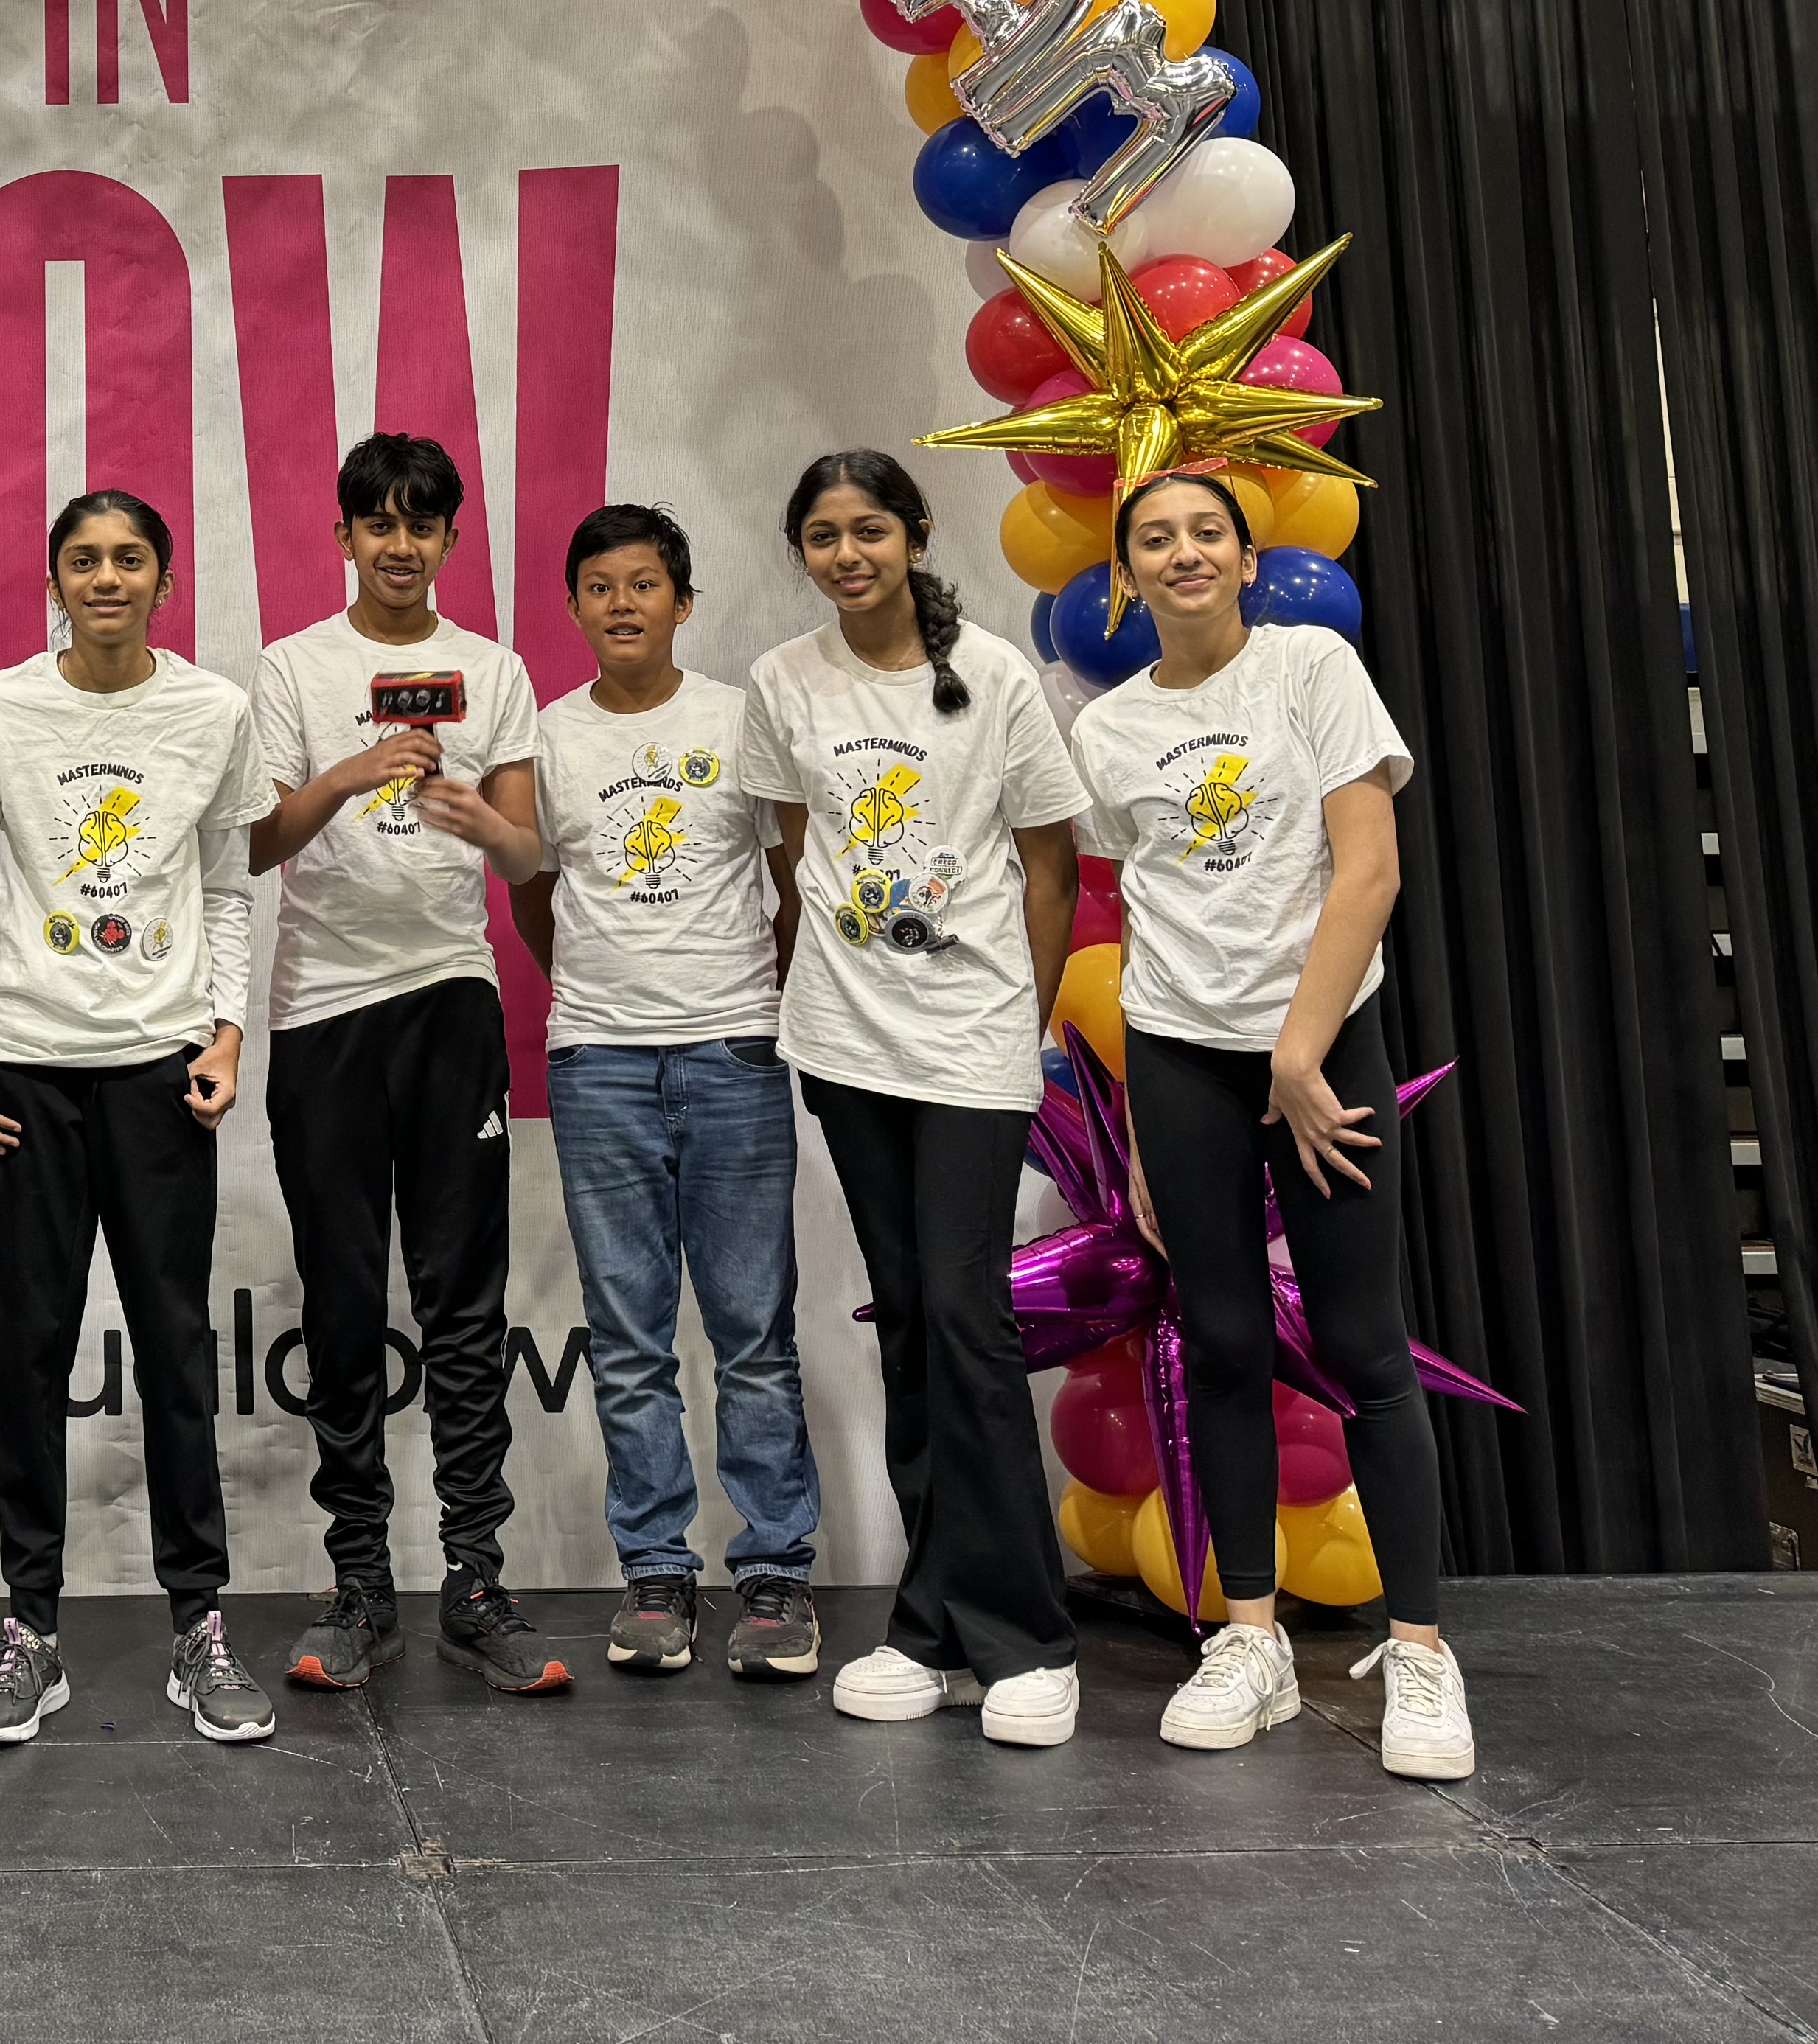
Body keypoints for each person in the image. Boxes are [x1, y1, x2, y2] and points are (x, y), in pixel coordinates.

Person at [1076, 466, 1455, 1778]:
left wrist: (1300, 1053)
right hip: (1183, 1055)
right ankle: (1251, 1638)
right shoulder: (1110, 730)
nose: (1182, 555)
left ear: (1247, 559)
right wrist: (1135, 1125)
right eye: (1154, 540)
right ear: (1125, 574)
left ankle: (1420, 1652)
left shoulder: (1312, 668)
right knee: (1221, 1340)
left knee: (1361, 1344)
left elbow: (1371, 869)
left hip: (1323, 1042)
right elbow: (1138, 918)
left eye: (1206, 535)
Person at [439, 505, 821, 1691]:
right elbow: (535, 895)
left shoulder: (738, 719)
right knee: (631, 1341)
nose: (621, 604)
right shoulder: (546, 741)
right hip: (598, 1061)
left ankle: (774, 1576)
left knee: (754, 1335)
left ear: (684, 603)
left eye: (644, 584)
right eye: (598, 586)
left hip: (735, 1055)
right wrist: (600, 997)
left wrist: (756, 1003)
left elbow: (795, 877)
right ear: (573, 608)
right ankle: (657, 1571)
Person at [752, 455, 1087, 1744]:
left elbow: (1050, 867)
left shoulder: (993, 674)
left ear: (915, 536)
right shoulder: (787, 683)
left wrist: (1027, 1018)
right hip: (846, 1045)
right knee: (908, 1323)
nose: (849, 555)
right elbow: (796, 862)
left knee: (966, 1317)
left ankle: (1028, 1638)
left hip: (968, 1047)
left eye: (870, 531)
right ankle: (932, 1626)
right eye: (825, 536)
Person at [0, 490, 274, 1745]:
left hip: (158, 1069)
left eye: (130, 559)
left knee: (177, 1348)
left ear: (165, 582)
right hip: (27, 1066)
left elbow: (231, 890)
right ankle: (33, 1634)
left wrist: (226, 1032)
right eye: (83, 560)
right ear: (54, 581)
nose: (107, 578)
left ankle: (201, 1631)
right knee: (30, 1353)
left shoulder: (213, 710)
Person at [251, 432, 557, 1698]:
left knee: (463, 1304)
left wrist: (487, 823)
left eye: (420, 523)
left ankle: (476, 1580)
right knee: (339, 1301)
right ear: (343, 537)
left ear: (446, 538)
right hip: (323, 1011)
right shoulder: (292, 667)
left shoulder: (493, 670)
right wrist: (355, 771)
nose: (398, 542)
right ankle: (362, 1579)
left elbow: (532, 856)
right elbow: (258, 842)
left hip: (451, 1003)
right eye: (375, 521)